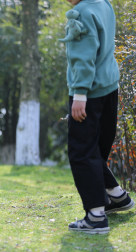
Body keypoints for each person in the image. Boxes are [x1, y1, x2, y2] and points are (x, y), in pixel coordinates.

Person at [62, 0, 134, 234]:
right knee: (92, 149)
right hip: (108, 89)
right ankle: (117, 196)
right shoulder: (103, 4)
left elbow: (83, 55)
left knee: (81, 151)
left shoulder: (81, 13)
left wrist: (80, 93)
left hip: (89, 93)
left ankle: (95, 216)